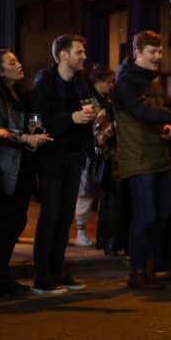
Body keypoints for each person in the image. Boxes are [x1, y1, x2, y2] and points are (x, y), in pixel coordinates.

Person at [113, 30, 171, 290]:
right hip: (138, 159)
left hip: (158, 156)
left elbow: (153, 115)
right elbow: (141, 111)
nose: (157, 57)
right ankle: (136, 272)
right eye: (152, 52)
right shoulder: (125, 82)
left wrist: (168, 127)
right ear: (137, 52)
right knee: (145, 215)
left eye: (160, 52)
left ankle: (149, 269)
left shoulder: (152, 80)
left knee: (162, 215)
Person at [0, 49, 54, 296]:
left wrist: (36, 131)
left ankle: (1, 272)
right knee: (2, 222)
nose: (19, 64)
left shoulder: (21, 93)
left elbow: (32, 120)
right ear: (0, 71)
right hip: (3, 166)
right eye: (12, 62)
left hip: (24, 166)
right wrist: (26, 137)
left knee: (18, 220)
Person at [29, 34, 97, 294]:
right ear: (64, 55)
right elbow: (36, 123)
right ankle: (41, 276)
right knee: (50, 216)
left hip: (74, 157)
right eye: (79, 52)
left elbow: (87, 111)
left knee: (66, 216)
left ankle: (59, 270)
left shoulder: (81, 83)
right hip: (50, 159)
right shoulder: (43, 85)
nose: (84, 56)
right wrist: (71, 118)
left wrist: (91, 114)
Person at [72, 67, 114, 248]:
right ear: (98, 81)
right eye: (108, 81)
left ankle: (81, 231)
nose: (111, 85)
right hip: (90, 151)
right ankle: (80, 232)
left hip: (100, 152)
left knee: (90, 190)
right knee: (85, 191)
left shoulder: (107, 100)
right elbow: (94, 125)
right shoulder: (91, 100)